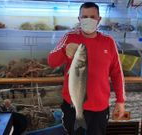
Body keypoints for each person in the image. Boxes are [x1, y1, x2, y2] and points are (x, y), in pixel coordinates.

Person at [48, 2, 125, 135]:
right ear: (79, 19)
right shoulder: (69, 37)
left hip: (100, 106)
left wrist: (120, 100)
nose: (88, 20)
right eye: (84, 17)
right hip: (73, 105)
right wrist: (64, 50)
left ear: (99, 19)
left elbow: (117, 73)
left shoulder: (109, 41)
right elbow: (52, 62)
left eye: (92, 17)